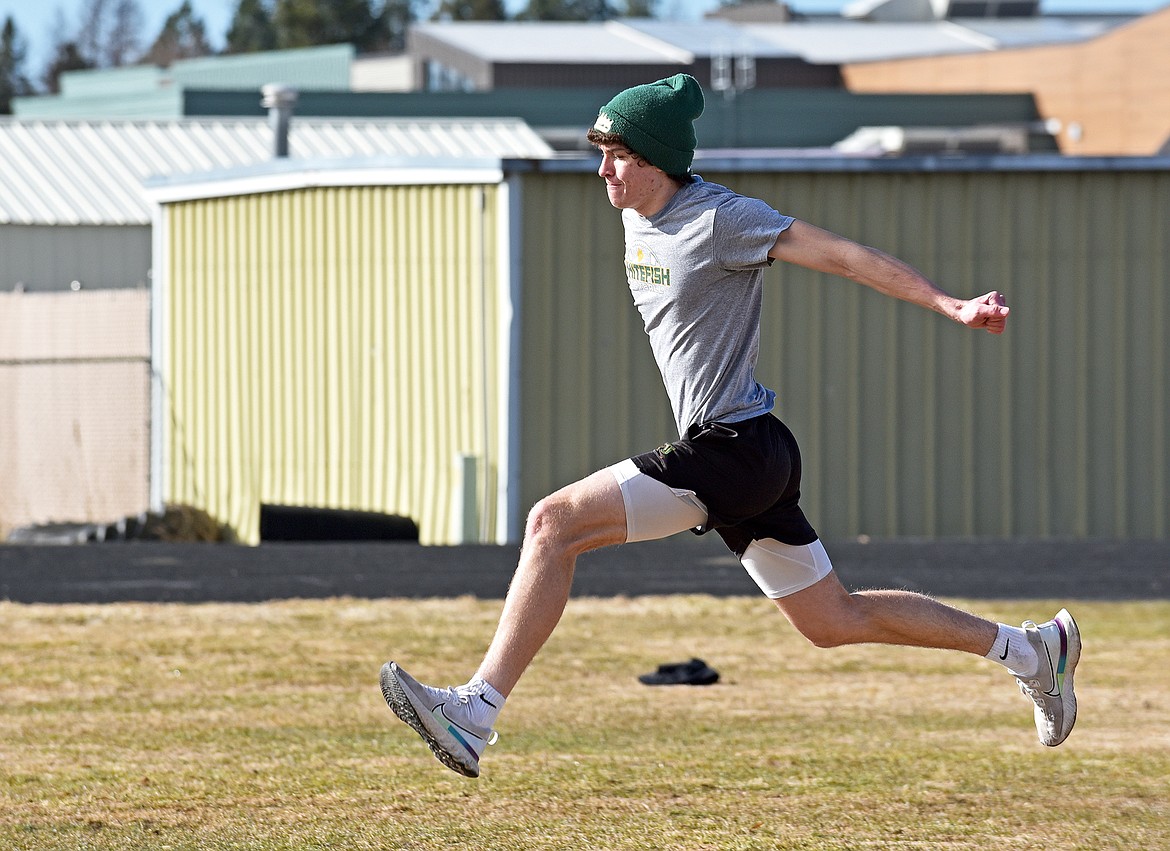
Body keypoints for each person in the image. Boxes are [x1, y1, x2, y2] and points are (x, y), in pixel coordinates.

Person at [380, 74, 1080, 778]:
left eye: (618, 154)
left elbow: (841, 254)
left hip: (734, 448)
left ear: (657, 160)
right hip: (749, 449)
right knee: (833, 620)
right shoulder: (633, 212)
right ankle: (1032, 651)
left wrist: (951, 304)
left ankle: (474, 713)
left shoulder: (723, 219)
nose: (603, 170)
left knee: (551, 524)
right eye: (599, 151)